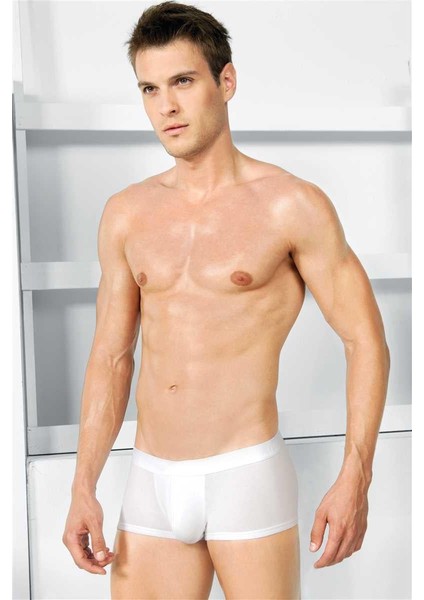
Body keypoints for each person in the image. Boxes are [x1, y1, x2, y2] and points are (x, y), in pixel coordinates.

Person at [62, 2, 390, 598]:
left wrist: (356, 477)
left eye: (183, 81)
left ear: (227, 81)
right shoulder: (126, 213)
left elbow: (364, 339)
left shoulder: (291, 205)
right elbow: (110, 357)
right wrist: (84, 484)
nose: (166, 106)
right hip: (150, 477)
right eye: (150, 89)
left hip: (245, 475)